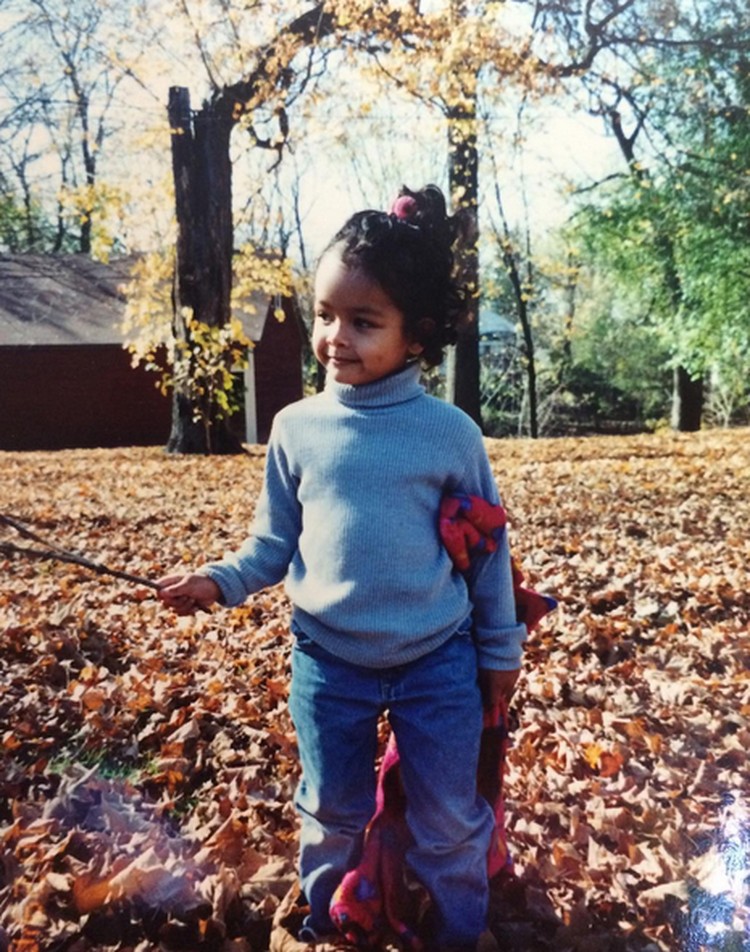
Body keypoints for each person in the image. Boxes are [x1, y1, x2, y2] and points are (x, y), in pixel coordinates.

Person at [158, 184, 527, 951]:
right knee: (331, 809)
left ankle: (463, 931)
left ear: (416, 335)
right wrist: (217, 582)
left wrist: (499, 653)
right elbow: (271, 545)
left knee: (449, 819)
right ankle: (327, 928)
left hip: (438, 664)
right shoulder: (296, 429)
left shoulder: (448, 434)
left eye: (364, 322)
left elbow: (486, 554)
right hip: (329, 666)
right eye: (326, 315)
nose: (336, 337)